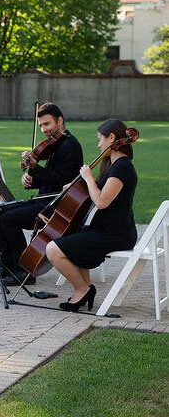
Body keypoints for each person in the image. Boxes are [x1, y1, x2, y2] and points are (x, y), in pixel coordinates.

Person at [46, 119, 138, 312]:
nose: (98, 145)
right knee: (69, 238)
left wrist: (88, 178)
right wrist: (75, 187)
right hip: (104, 229)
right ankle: (84, 289)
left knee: (53, 250)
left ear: (111, 138)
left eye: (100, 139)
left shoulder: (122, 167)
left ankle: (82, 289)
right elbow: (95, 192)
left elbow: (102, 201)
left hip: (116, 234)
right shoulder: (111, 165)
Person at [0, 103, 83, 285]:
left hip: (56, 207)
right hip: (43, 199)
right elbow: (47, 178)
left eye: (47, 124)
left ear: (60, 121)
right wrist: (31, 180)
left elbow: (59, 180)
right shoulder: (56, 145)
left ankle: (24, 271)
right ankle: (6, 265)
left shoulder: (69, 146)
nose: (43, 129)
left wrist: (34, 168)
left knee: (8, 219)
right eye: (40, 125)